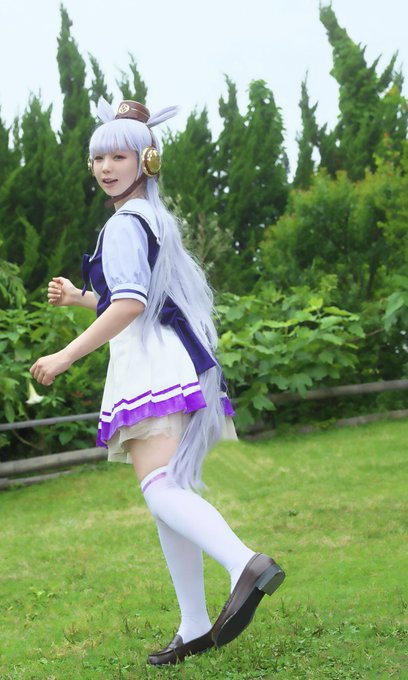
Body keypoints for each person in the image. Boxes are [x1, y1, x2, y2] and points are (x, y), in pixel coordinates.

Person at [30, 98, 285, 666]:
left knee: (161, 491)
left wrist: (66, 355)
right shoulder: (151, 217)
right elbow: (139, 298)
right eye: (99, 158)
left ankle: (244, 563)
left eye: (118, 156)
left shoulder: (125, 223)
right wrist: (80, 298)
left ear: (146, 160)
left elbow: (131, 304)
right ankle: (194, 625)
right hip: (171, 359)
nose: (105, 167)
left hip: (151, 366)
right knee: (168, 494)